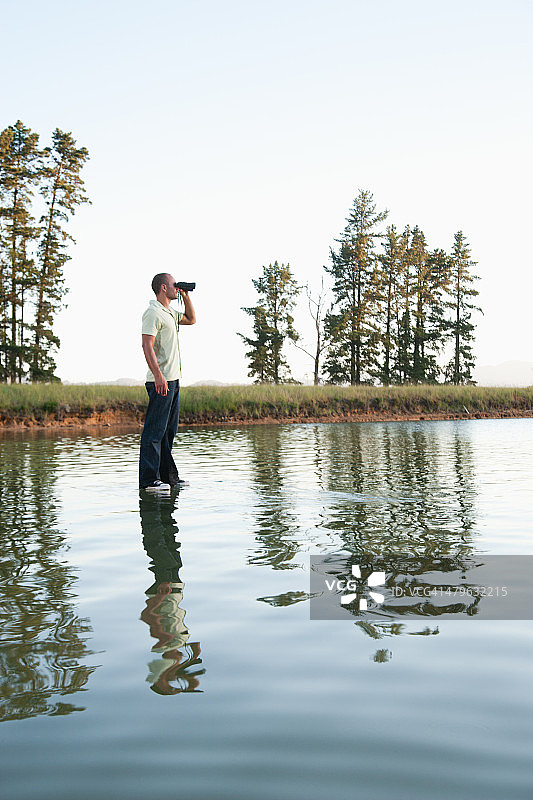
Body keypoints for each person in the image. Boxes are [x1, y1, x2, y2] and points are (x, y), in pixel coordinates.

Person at [139, 273, 196, 491]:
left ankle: (168, 478)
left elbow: (191, 319)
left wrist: (186, 296)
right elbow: (146, 345)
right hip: (160, 381)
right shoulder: (152, 312)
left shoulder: (170, 313)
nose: (176, 287)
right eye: (174, 284)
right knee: (154, 432)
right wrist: (158, 376)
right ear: (164, 287)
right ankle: (148, 480)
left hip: (173, 380)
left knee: (168, 432)